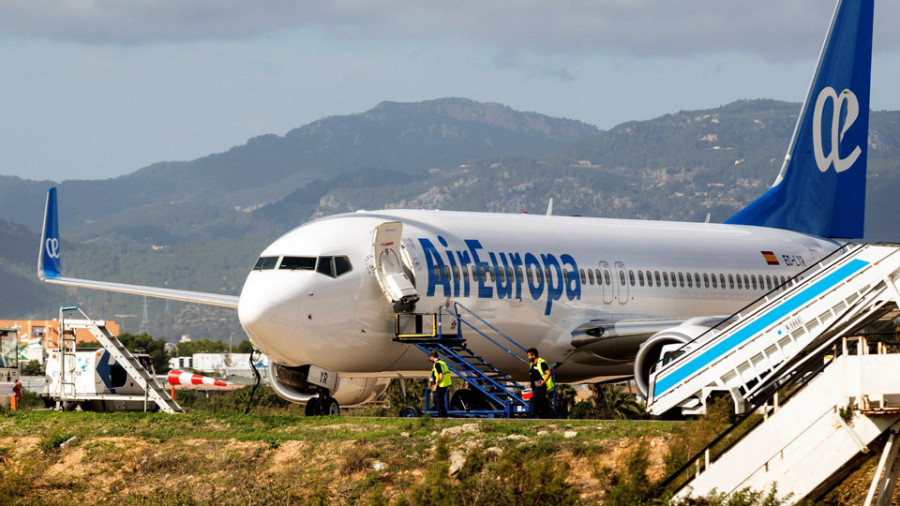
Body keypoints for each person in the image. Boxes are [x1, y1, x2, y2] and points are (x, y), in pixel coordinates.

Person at [526, 348, 554, 418]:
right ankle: (552, 415)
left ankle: (530, 417)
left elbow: (548, 372)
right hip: (534, 385)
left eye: (529, 355)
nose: (528, 357)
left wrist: (544, 381)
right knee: (543, 403)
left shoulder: (541, 362)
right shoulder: (532, 364)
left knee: (533, 400)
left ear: (533, 355)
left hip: (540, 385)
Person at [429, 351, 451, 417]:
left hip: (440, 384)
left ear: (432, 357)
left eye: (430, 357)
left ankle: (441, 416)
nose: (430, 359)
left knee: (437, 401)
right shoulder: (443, 362)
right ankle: (444, 415)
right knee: (440, 400)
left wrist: (436, 385)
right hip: (445, 383)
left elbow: (440, 375)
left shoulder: (437, 364)